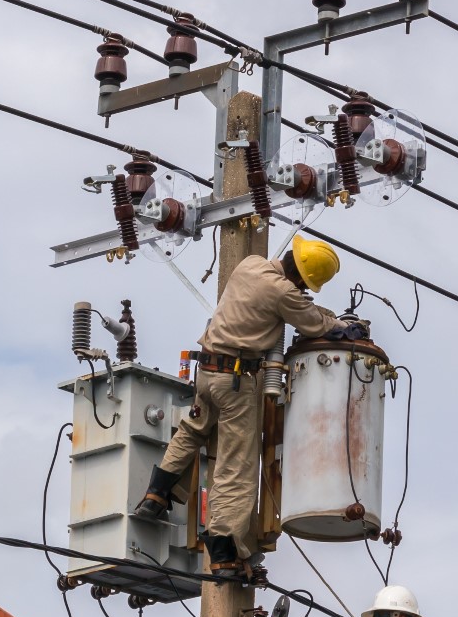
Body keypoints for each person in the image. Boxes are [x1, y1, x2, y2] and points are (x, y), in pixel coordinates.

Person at [133, 235, 362, 574]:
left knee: (192, 431)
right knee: (235, 467)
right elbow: (314, 323)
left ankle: (156, 494)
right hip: (236, 383)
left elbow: (299, 306)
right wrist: (345, 328)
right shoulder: (284, 293)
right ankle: (224, 552)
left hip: (208, 372)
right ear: (301, 278)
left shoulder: (249, 265)